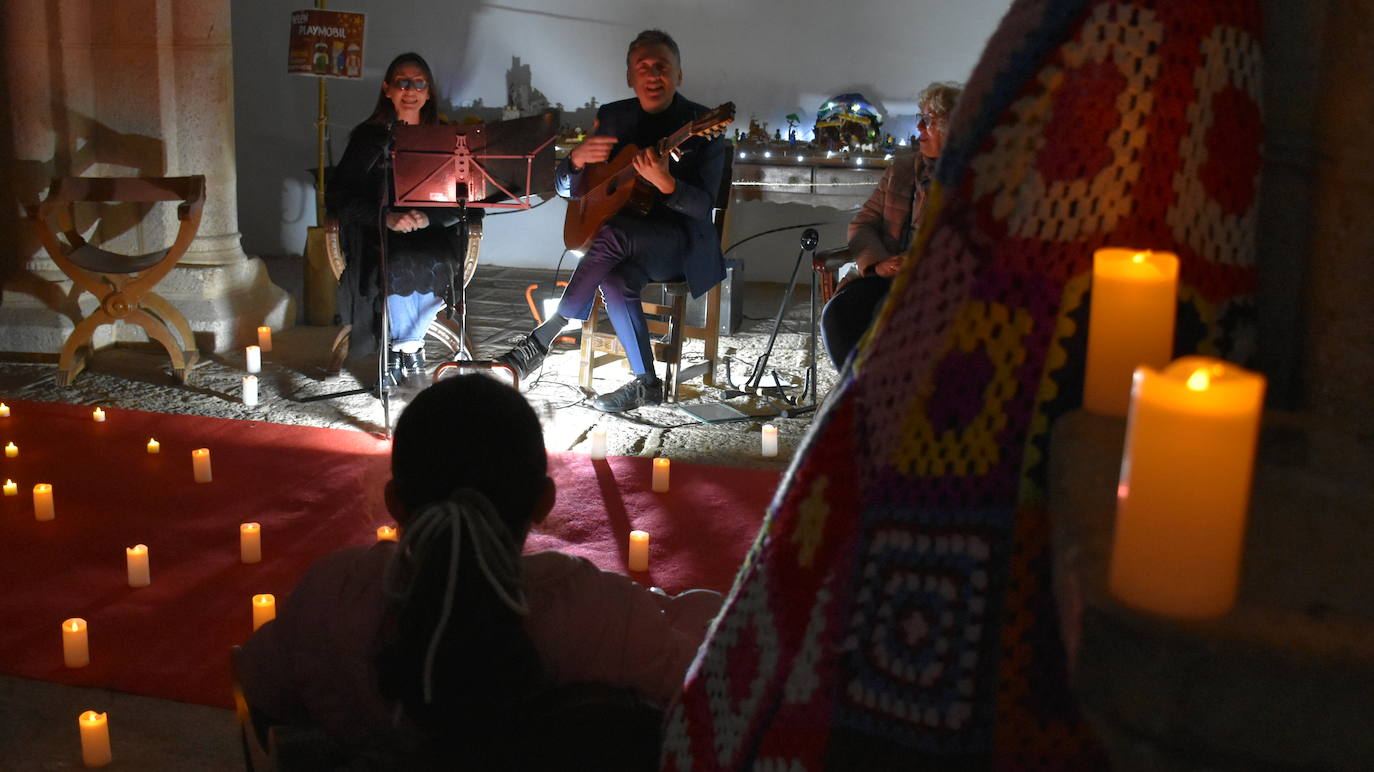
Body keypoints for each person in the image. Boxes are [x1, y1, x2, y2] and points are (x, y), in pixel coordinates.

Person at [237, 374, 723, 762]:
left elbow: (262, 692)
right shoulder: (602, 616)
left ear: (396, 504)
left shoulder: (332, 597)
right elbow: (711, 689)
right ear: (543, 503)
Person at [496, 30, 728, 413]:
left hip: (681, 243)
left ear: (679, 75)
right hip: (620, 239)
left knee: (614, 235)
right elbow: (569, 190)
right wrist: (575, 162)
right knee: (614, 275)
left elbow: (704, 208)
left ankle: (544, 336)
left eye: (662, 67)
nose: (653, 75)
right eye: (643, 68)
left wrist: (667, 183)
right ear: (630, 78)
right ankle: (646, 384)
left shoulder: (701, 125)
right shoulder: (614, 117)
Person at [328, 52, 480, 384]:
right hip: (377, 233)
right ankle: (411, 349)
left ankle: (402, 347)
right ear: (387, 88)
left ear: (428, 93)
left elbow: (469, 199)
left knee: (429, 259)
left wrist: (427, 218)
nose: (410, 90)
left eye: (419, 83)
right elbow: (339, 196)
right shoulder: (368, 137)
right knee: (395, 260)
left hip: (432, 232)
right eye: (402, 82)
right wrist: (385, 218)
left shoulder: (447, 138)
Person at [819, 81, 962, 369]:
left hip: (943, 289)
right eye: (920, 119)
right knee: (839, 314)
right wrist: (878, 264)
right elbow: (863, 225)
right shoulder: (901, 169)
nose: (920, 128)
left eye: (929, 121)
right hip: (885, 278)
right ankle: (858, 394)